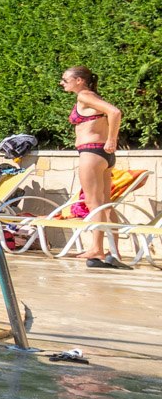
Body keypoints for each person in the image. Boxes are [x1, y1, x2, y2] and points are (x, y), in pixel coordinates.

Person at [63, 65, 128, 269]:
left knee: (93, 202)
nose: (62, 83)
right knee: (106, 204)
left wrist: (112, 139)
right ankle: (114, 252)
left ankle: (97, 249)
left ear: (79, 80)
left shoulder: (84, 96)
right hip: (103, 156)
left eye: (66, 79)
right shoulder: (89, 96)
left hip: (91, 153)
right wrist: (109, 143)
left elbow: (115, 112)